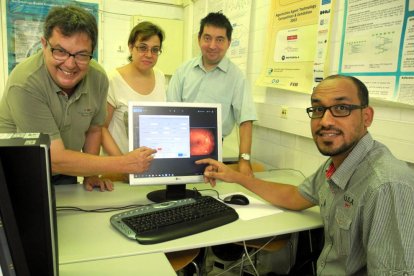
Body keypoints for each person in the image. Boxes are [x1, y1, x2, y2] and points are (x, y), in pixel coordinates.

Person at [196, 75, 414, 275]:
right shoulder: (339, 163)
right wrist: (236, 177)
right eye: (318, 110)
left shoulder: (386, 186)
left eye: (341, 108)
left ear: (366, 116)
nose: (326, 121)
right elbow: (294, 197)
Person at [0, 5, 156, 191]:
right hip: (19, 174)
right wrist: (124, 163)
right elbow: (54, 159)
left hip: (67, 171)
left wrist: (91, 175)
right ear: (43, 44)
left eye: (82, 55)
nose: (70, 63)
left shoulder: (97, 77)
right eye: (60, 51)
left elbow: (94, 129)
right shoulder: (25, 83)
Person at [167, 12, 257, 176]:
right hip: (178, 145)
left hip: (213, 149)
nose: (212, 45)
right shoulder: (182, 72)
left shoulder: (237, 77)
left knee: (210, 191)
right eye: (207, 38)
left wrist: (244, 161)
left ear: (229, 43)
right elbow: (169, 111)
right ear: (199, 39)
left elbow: (245, 120)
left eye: (220, 39)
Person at [102, 21, 166, 156]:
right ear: (131, 47)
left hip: (150, 166)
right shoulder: (113, 79)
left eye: (155, 49)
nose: (149, 54)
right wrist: (122, 163)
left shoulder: (160, 77)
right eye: (143, 48)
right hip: (118, 167)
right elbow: (101, 128)